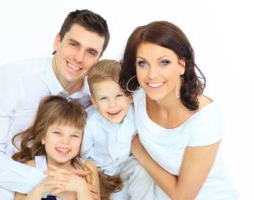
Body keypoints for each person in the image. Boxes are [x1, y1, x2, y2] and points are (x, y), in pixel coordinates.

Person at [0, 9, 109, 200]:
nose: (79, 57)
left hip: (50, 187)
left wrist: (80, 185)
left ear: (98, 60)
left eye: (91, 52)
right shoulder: (12, 78)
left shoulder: (94, 96)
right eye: (74, 44)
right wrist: (55, 183)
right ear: (57, 41)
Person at [119, 21, 238, 199]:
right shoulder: (138, 95)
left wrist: (139, 152)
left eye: (164, 62)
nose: (152, 75)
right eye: (143, 63)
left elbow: (183, 196)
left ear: (182, 65)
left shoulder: (205, 120)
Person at [82, 59, 155, 200]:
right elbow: (83, 155)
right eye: (103, 98)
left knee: (142, 171)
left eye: (119, 95)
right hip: (100, 171)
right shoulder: (91, 123)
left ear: (130, 97)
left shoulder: (135, 114)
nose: (112, 105)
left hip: (125, 165)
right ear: (94, 101)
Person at [12, 95, 99, 200]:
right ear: (43, 137)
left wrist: (81, 188)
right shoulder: (31, 167)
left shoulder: (87, 169)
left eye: (74, 135)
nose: (66, 141)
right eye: (57, 133)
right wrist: (40, 188)